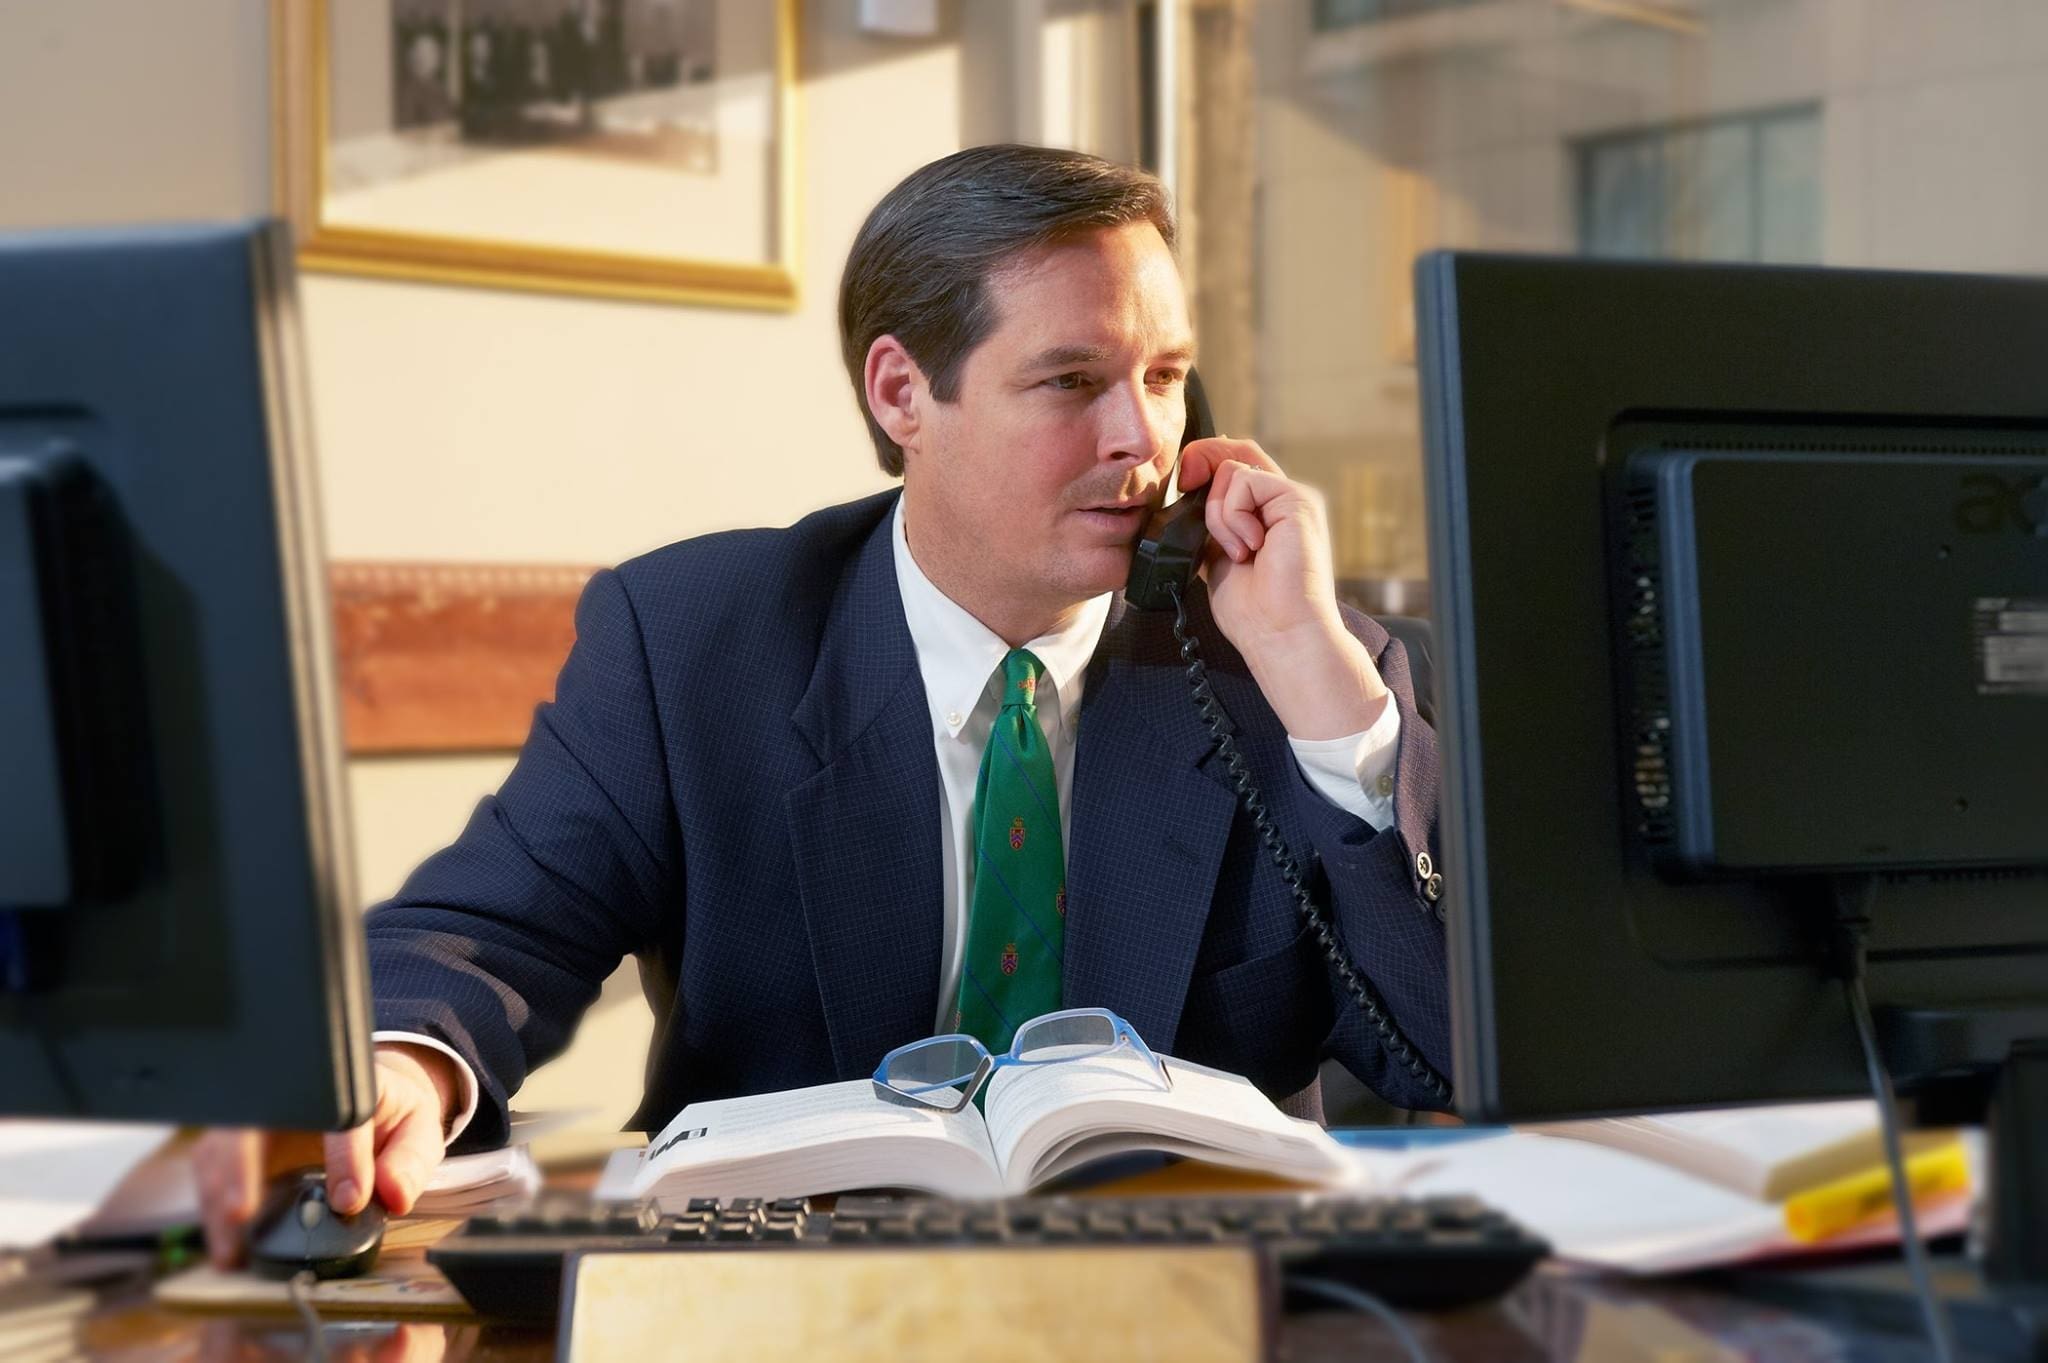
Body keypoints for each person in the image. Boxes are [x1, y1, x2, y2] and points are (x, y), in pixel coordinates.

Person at [195, 144, 1452, 1265]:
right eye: (1071, 381)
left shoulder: (1284, 659)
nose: (1143, 437)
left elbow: (1448, 1053)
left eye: (1167, 375)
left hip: (1196, 1313)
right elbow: (484, 931)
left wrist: (1321, 696)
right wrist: (401, 1058)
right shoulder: (693, 641)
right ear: (901, 395)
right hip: (777, 1308)